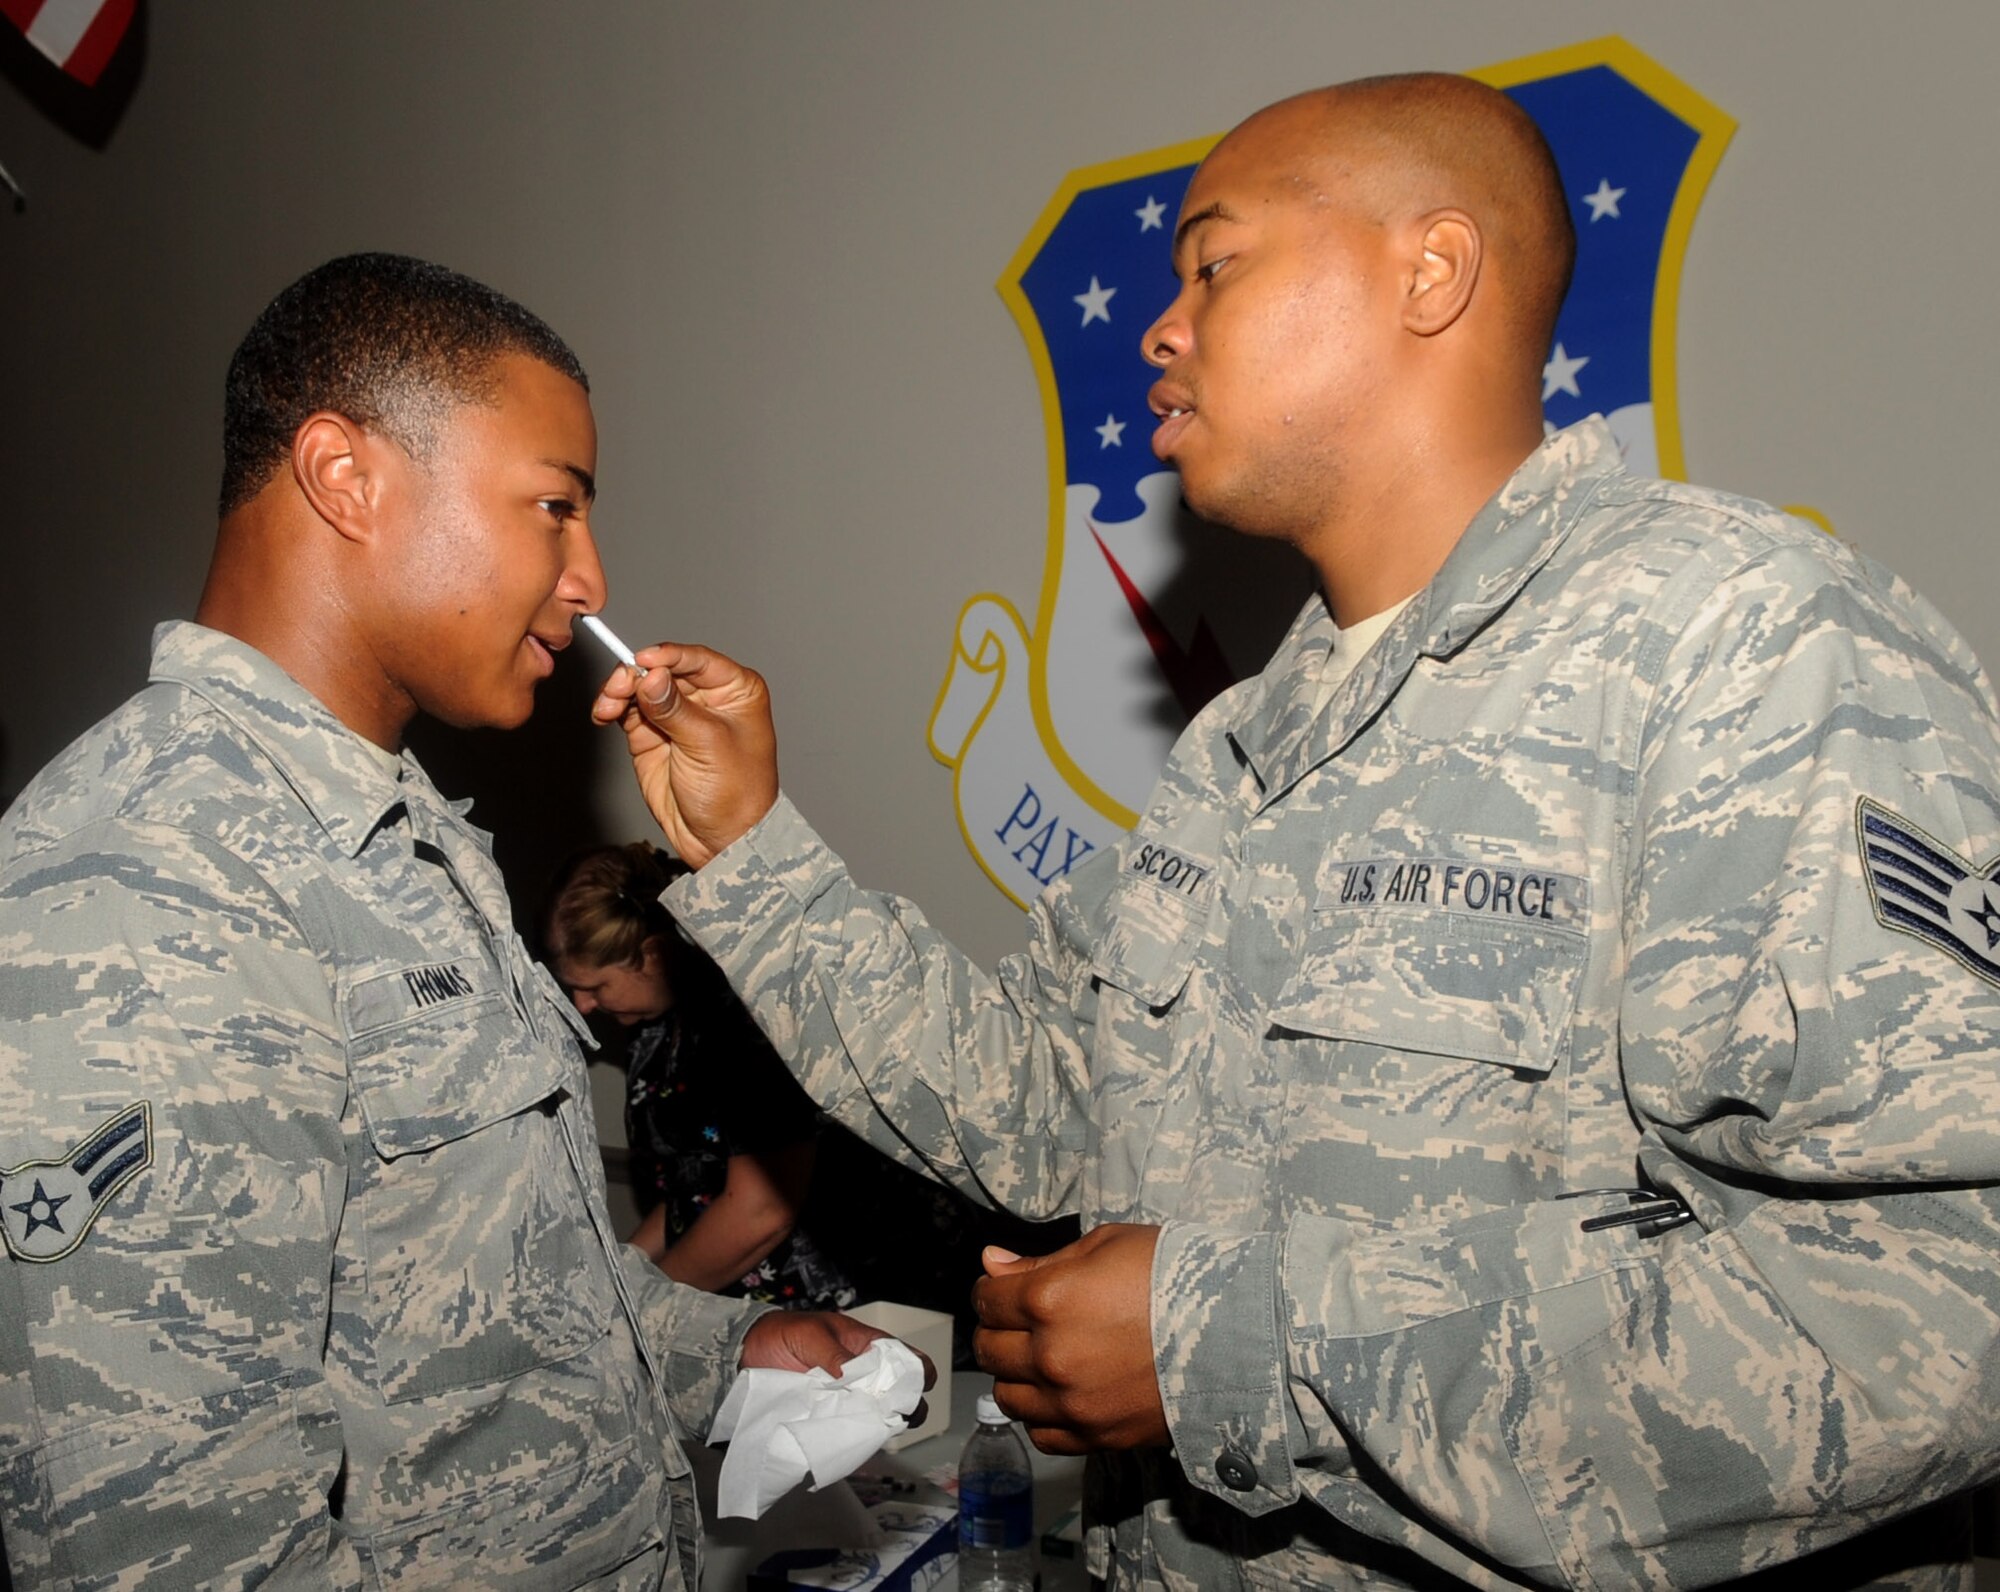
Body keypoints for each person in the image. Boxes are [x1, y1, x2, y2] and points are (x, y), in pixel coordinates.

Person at [588, 74, 2000, 1592]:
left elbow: (1949, 1301)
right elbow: (1048, 1098)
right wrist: (755, 857)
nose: (1162, 327)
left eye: (1215, 263)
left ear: (1429, 271)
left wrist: (1234, 1346)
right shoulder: (1241, 750)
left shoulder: (1739, 644)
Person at [0, 253, 926, 1591]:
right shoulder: (141, 885)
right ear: (346, 478)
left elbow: (470, 1313)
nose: (589, 579)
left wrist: (718, 1355)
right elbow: (166, 1543)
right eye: (554, 508)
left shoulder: (417, 842)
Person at [542, 842, 859, 1308]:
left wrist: (640, 1313)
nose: (583, 1006)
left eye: (595, 987)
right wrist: (616, 1274)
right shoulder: (657, 1031)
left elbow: (761, 1211)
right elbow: (690, 1189)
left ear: (650, 955)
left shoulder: (749, 1023)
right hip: (740, 1298)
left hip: (831, 1305)